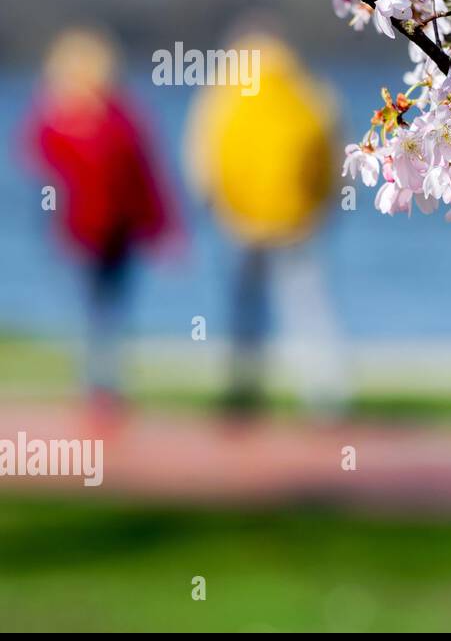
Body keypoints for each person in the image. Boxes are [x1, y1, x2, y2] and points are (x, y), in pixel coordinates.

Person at [182, 30, 345, 417]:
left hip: (240, 221)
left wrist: (208, 203)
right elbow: (336, 154)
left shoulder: (225, 92)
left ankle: (243, 387)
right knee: (307, 307)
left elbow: (200, 152)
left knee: (243, 308)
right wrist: (326, 208)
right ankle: (325, 396)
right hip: (297, 220)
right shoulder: (308, 90)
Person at [24, 28, 177, 419]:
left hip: (119, 233)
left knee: (111, 309)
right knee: (90, 309)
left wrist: (160, 227)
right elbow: (42, 159)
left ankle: (105, 385)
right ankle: (96, 387)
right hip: (79, 233)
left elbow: (144, 175)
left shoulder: (120, 118)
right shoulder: (57, 120)